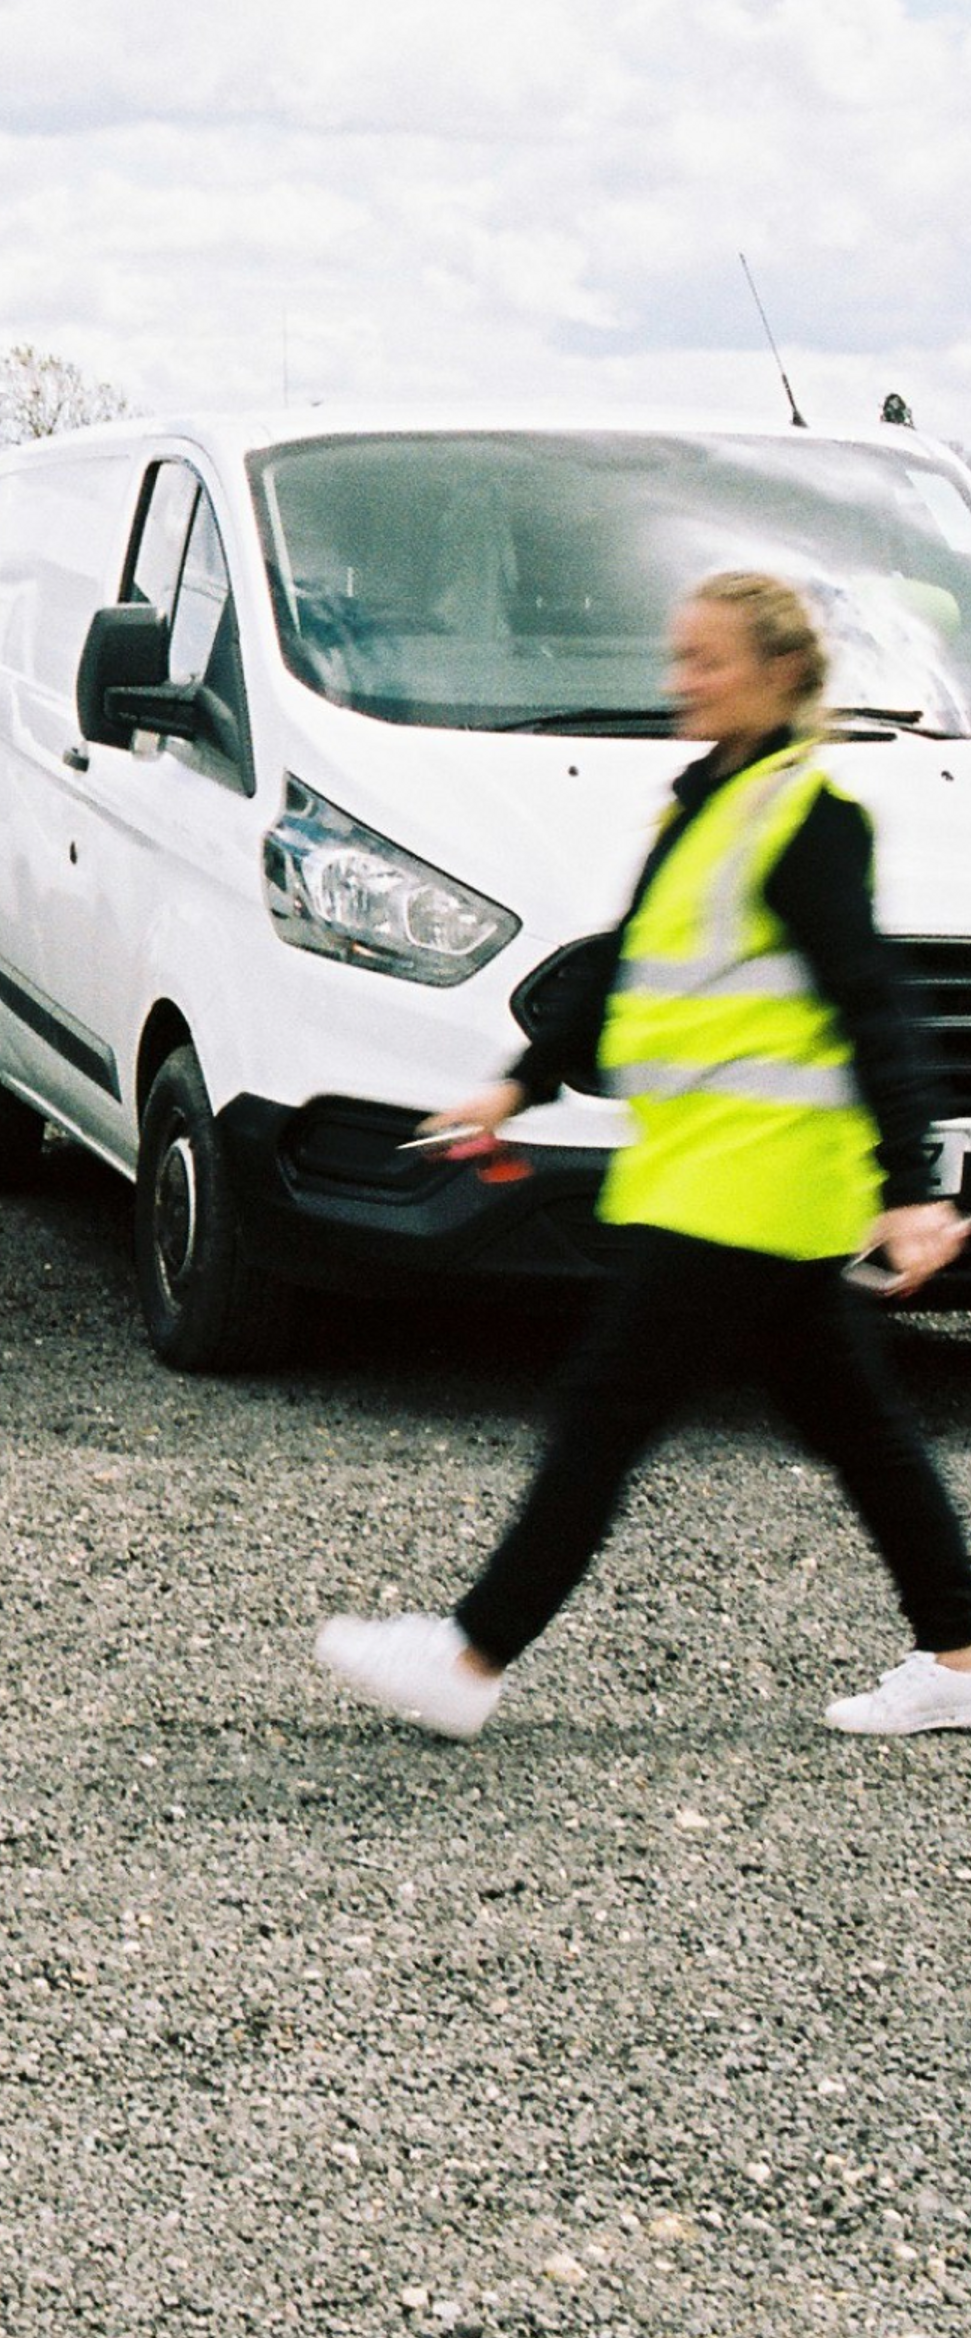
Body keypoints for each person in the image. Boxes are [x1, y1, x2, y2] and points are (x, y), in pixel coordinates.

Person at [317, 569, 971, 1739]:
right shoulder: (704, 806)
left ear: (777, 675)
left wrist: (913, 1189)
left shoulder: (809, 819)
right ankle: (963, 1657)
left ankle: (470, 1660)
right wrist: (515, 1083)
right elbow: (626, 963)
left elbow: (876, 1007)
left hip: (752, 1180)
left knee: (605, 1412)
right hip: (721, 1175)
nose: (683, 680)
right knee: (854, 1421)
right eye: (680, 657)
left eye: (708, 661)